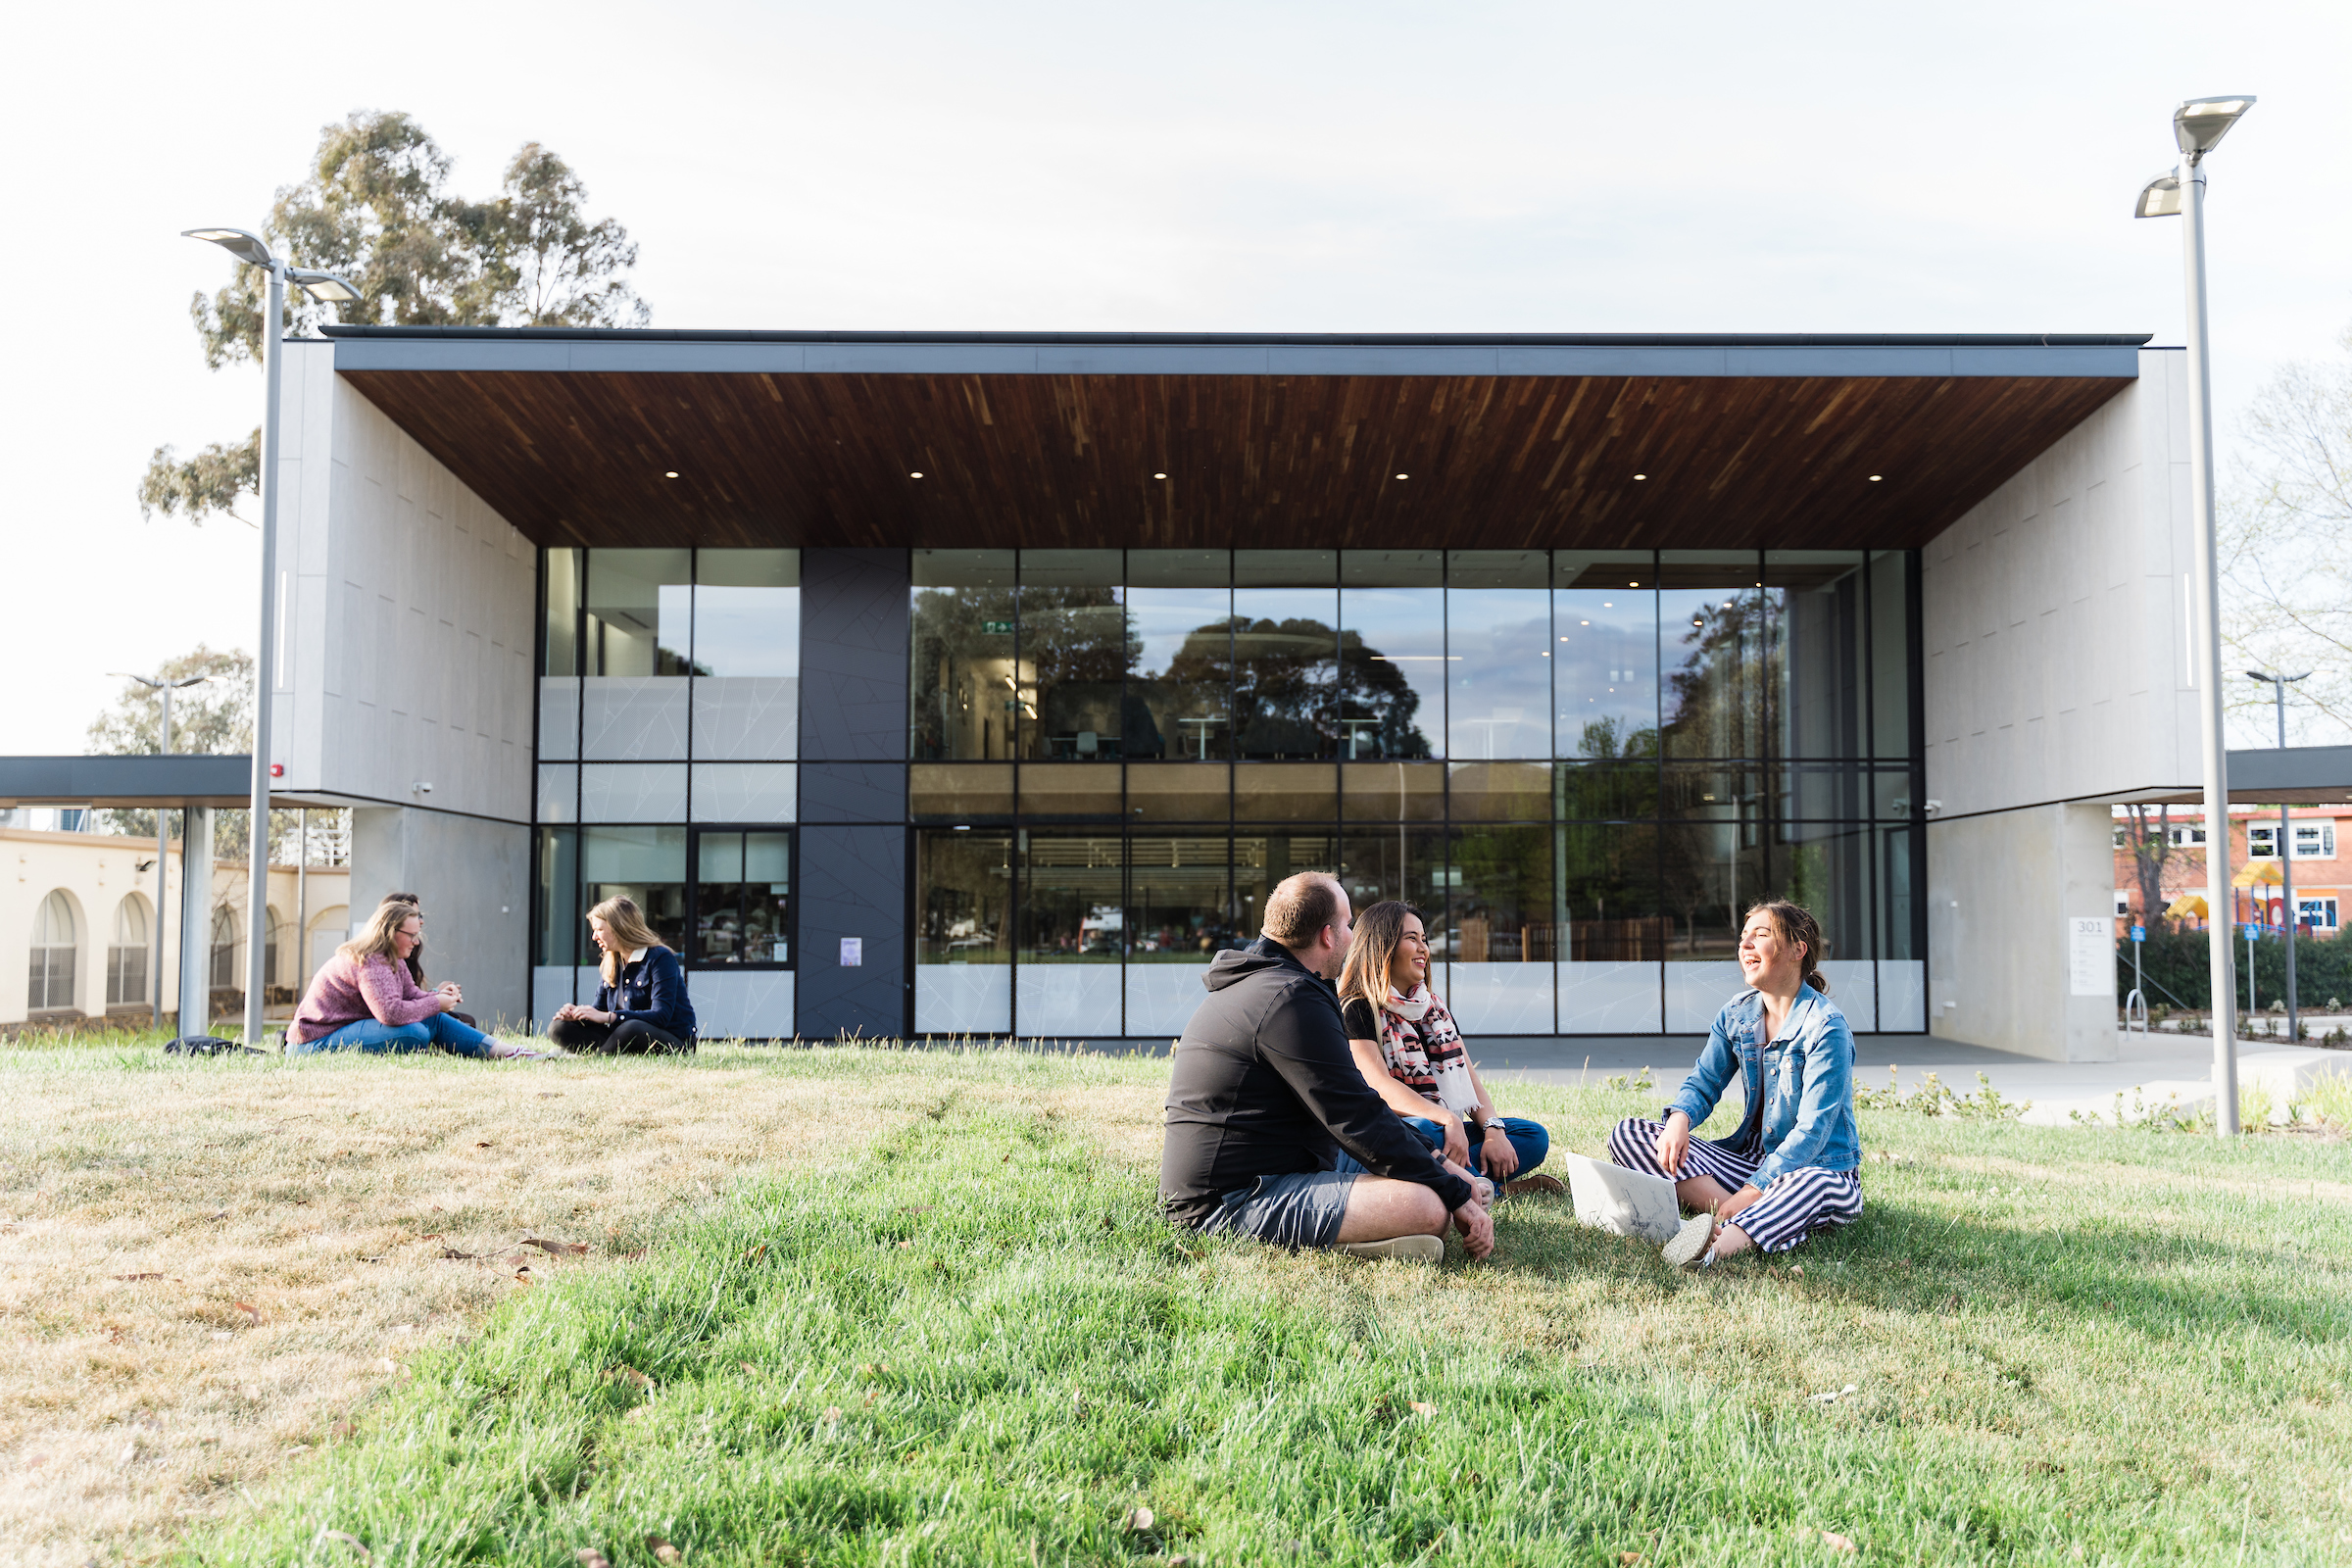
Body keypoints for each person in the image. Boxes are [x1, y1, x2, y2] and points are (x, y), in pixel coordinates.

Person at [1159, 872, 1495, 1264]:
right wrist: (1453, 1192)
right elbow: (1356, 1118)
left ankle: (1372, 1229)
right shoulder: (1288, 999)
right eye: (1349, 924)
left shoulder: (1272, 984)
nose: (1354, 936)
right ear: (1327, 936)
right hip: (1225, 1206)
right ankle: (1359, 1238)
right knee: (1429, 1206)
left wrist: (1441, 1167)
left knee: (1430, 1184)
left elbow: (1361, 1106)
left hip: (1274, 1173)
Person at [1605, 900, 1862, 1269]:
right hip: (1750, 1163)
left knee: (1809, 1186)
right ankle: (1743, 1210)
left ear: (1796, 950)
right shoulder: (1736, 1013)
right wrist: (1679, 1120)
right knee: (1630, 1134)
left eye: (1760, 936)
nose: (1745, 945)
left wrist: (1754, 1189)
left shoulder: (1826, 1027)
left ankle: (1712, 1248)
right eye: (1743, 937)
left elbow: (1812, 1132)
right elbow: (1704, 1082)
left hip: (1818, 1169)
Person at [1336, 901, 1563, 1198]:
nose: (1424, 949)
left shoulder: (1435, 1009)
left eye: (1424, 940)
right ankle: (1486, 1187)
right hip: (1392, 1134)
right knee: (1424, 1133)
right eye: (1411, 939)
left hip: (1441, 1129)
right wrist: (1448, 1119)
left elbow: (1470, 1078)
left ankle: (1468, 1182)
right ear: (1383, 945)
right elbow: (1380, 1088)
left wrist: (1493, 1130)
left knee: (1531, 1135)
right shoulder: (1358, 1007)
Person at [287, 901, 519, 1057]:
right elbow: (389, 1013)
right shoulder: (370, 961)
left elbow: (412, 996)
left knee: (432, 1019)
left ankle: (507, 1052)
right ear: (389, 932)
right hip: (313, 1043)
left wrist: (438, 998)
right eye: (412, 936)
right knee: (413, 1032)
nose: (416, 942)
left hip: (345, 1029)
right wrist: (436, 1003)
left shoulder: (392, 958)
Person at [549, 896, 697, 1054]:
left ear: (618, 927)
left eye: (599, 929)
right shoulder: (612, 961)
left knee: (631, 1027)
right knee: (558, 1027)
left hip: (672, 1041)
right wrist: (580, 1015)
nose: (594, 937)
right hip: (622, 1036)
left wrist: (610, 1017)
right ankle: (608, 1052)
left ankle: (596, 1057)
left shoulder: (660, 958)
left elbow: (661, 1016)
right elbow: (599, 1010)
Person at [381, 891, 477, 1028]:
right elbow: (396, 1007)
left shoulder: (408, 948)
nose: (421, 921)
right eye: (414, 915)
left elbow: (411, 994)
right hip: (389, 1020)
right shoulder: (380, 956)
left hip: (403, 1015)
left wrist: (438, 994)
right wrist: (437, 999)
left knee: (466, 1022)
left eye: (419, 915)